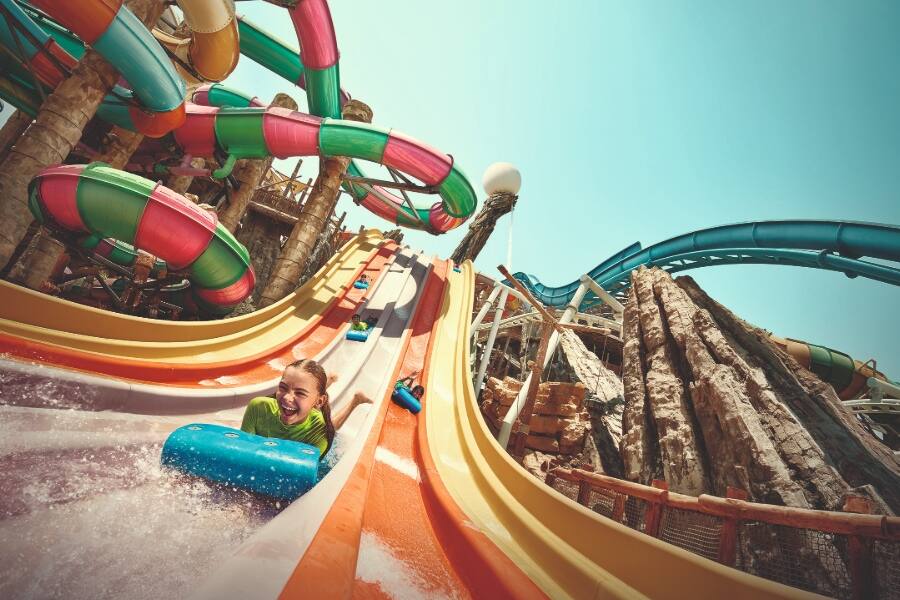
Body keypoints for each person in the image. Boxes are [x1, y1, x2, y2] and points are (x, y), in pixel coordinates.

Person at [240, 359, 371, 457]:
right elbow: (243, 451)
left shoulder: (319, 429)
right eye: (283, 387)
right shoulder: (258, 407)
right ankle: (324, 383)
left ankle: (355, 401)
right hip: (308, 403)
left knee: (332, 427)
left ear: (320, 401)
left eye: (300, 393)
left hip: (314, 411)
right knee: (303, 401)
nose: (287, 397)